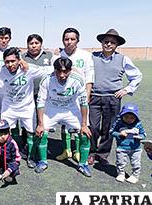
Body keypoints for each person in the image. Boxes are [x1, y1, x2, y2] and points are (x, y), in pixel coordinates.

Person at [89, 29, 143, 166]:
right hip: (93, 97)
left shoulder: (123, 59)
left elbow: (137, 76)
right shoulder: (92, 57)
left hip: (112, 98)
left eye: (112, 42)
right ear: (101, 43)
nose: (108, 44)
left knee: (109, 128)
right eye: (106, 41)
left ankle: (102, 154)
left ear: (117, 45)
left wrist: (126, 89)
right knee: (93, 127)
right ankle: (91, 152)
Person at [35, 57, 92, 177]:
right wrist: (40, 124)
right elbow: (40, 102)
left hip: (71, 109)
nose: (62, 75)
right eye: (59, 71)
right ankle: (42, 161)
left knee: (85, 133)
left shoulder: (78, 79)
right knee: (41, 132)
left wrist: (84, 124)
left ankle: (83, 164)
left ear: (70, 70)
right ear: (54, 70)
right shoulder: (46, 79)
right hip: (52, 109)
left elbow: (83, 102)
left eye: (65, 71)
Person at [0, 47, 52, 168]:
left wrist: (73, 70)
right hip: (9, 108)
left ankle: (31, 157)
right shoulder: (0, 70)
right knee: (6, 133)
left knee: (31, 133)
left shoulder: (29, 69)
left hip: (27, 108)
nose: (10, 64)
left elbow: (49, 69)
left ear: (19, 60)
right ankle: (11, 156)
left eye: (13, 61)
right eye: (7, 62)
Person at [54, 28, 95, 162]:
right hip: (63, 96)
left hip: (79, 96)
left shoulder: (86, 55)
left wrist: (87, 95)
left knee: (79, 124)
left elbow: (89, 77)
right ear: (63, 40)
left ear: (78, 40)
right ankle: (66, 150)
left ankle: (77, 151)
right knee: (64, 123)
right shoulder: (57, 55)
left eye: (72, 39)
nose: (69, 42)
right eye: (66, 39)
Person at [110, 103, 146, 184]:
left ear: (136, 117)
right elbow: (111, 132)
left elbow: (143, 135)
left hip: (136, 148)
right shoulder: (118, 123)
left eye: (132, 118)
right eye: (126, 117)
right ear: (122, 115)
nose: (129, 119)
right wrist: (119, 134)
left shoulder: (138, 124)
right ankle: (121, 173)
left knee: (136, 163)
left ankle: (135, 175)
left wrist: (138, 136)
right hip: (122, 148)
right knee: (120, 162)